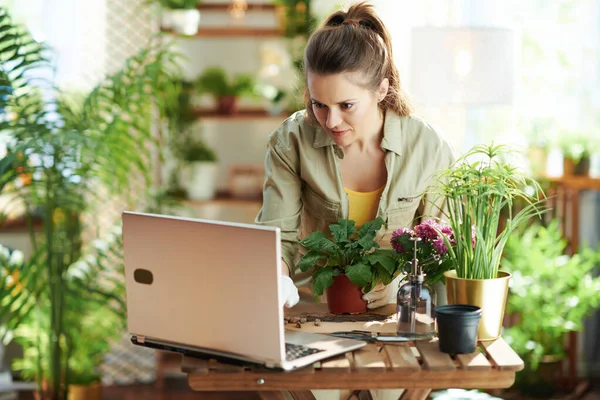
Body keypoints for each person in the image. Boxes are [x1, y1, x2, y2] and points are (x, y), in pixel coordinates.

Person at [256, 1, 455, 312]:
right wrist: (279, 281)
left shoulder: (427, 146)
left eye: (346, 105)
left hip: (397, 317)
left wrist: (408, 291)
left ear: (381, 90)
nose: (331, 121)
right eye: (319, 104)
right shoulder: (291, 141)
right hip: (313, 313)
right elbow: (278, 238)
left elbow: (443, 248)